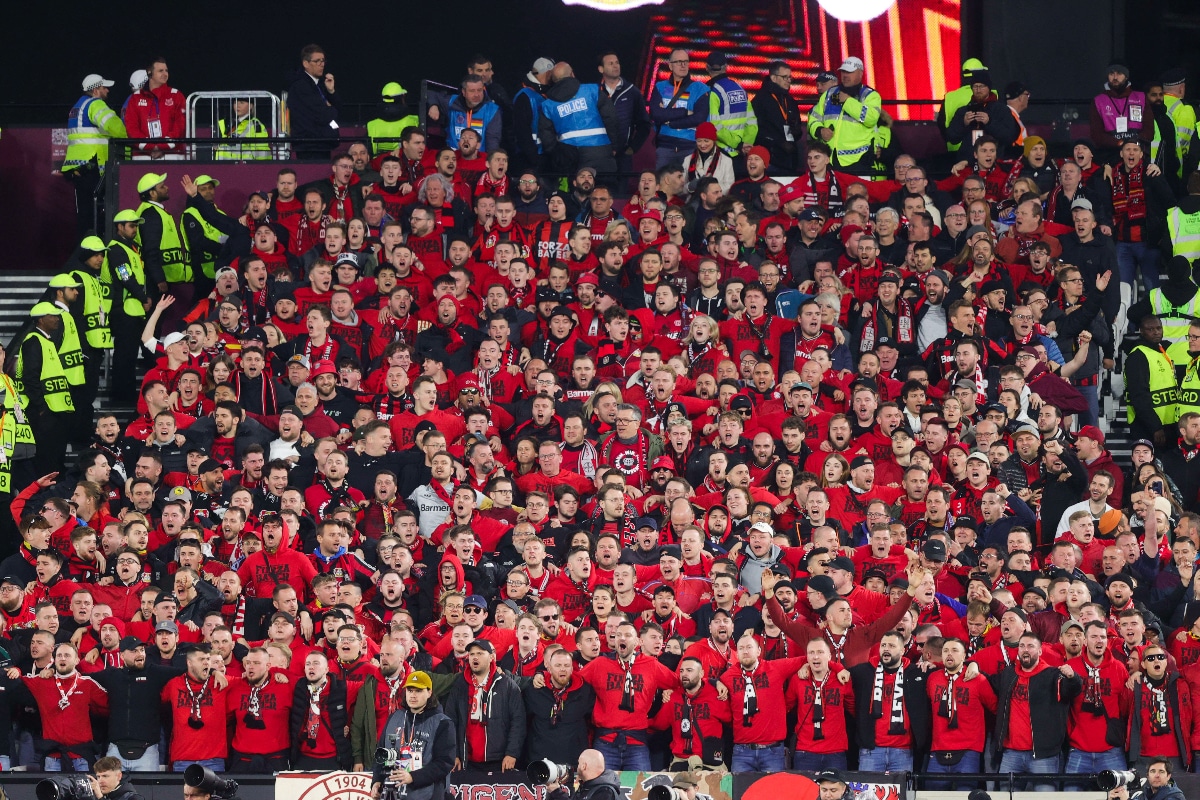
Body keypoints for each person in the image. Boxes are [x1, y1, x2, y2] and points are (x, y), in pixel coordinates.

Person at [370, 671, 456, 800]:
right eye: (410, 691)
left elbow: (444, 763)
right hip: (393, 793)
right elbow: (381, 753)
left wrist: (413, 777)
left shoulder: (443, 723)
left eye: (418, 691)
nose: (413, 695)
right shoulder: (395, 717)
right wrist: (376, 781)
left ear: (429, 692)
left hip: (428, 794)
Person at [62, 73, 126, 237]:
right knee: (97, 215)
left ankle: (85, 252)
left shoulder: (77, 107)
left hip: (78, 168)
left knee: (85, 215)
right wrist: (130, 137)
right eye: (105, 87)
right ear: (96, 89)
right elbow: (115, 126)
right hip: (92, 167)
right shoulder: (96, 104)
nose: (108, 91)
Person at [16, 302, 75, 476]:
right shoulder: (34, 341)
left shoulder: (45, 340)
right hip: (43, 412)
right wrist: (41, 408)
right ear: (41, 320)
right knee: (45, 459)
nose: (57, 319)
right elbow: (30, 378)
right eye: (53, 316)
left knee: (54, 457)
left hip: (54, 410)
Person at [539, 62, 618, 176]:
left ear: (554, 80)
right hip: (600, 151)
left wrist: (558, 155)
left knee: (577, 191)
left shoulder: (548, 105)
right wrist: (614, 145)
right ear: (572, 74)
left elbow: (546, 135)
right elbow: (611, 118)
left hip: (569, 157)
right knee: (606, 188)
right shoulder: (592, 91)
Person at [807, 57, 882, 175]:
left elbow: (870, 119)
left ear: (860, 73)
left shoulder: (870, 95)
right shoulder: (829, 94)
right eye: (843, 72)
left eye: (849, 72)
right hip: (830, 159)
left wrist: (847, 102)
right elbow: (814, 117)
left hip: (859, 160)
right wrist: (819, 130)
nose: (845, 75)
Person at [136, 172, 191, 330]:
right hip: (154, 279)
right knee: (153, 320)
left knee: (156, 319)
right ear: (152, 193)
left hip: (160, 275)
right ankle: (150, 354)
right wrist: (159, 279)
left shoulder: (156, 211)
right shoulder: (150, 214)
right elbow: (150, 249)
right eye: (162, 186)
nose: (166, 188)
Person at [649, 49, 710, 168]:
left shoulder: (700, 88)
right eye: (679, 62)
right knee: (661, 184)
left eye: (686, 62)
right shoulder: (660, 87)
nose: (683, 65)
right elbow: (656, 114)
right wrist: (685, 112)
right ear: (670, 66)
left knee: (687, 185)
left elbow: (699, 118)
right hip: (664, 145)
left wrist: (670, 122)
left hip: (690, 146)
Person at [124, 58, 186, 161]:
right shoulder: (135, 98)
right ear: (149, 72)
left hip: (173, 156)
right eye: (160, 71)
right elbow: (131, 127)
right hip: (142, 157)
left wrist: (161, 147)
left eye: (166, 70)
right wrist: (150, 147)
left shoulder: (177, 96)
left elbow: (180, 126)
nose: (165, 74)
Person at [287, 44, 340, 160]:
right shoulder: (301, 86)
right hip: (310, 145)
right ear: (306, 63)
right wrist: (329, 109)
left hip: (322, 144)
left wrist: (331, 91)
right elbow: (322, 115)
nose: (322, 64)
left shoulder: (319, 84)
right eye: (317, 61)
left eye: (323, 61)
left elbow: (337, 111)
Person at [703, 51, 757, 162]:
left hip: (720, 153)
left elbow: (714, 125)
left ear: (707, 68)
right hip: (741, 154)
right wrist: (746, 145)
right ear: (726, 67)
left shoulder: (711, 91)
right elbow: (752, 122)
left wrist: (738, 144)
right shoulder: (740, 88)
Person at [751, 61, 801, 172]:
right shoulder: (760, 100)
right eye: (785, 77)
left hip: (790, 158)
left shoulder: (790, 100)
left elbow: (797, 126)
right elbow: (756, 130)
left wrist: (796, 131)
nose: (788, 81)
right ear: (773, 78)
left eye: (790, 78)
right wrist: (778, 143)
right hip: (770, 159)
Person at [366, 84, 419, 155]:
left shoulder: (371, 125)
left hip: (378, 164)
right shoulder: (414, 121)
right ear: (402, 99)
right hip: (405, 163)